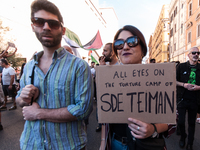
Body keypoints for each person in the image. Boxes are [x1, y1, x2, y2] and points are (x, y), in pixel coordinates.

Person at [16, 0, 93, 149]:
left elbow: (83, 110)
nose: (46, 27)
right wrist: (23, 97)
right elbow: (20, 101)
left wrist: (38, 113)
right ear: (33, 27)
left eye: (53, 24)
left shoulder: (79, 66)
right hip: (31, 144)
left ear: (62, 30)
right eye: (39, 21)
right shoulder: (29, 66)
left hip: (68, 146)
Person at [100, 25, 175, 150]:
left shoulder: (159, 76)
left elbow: (173, 117)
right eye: (119, 44)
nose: (125, 47)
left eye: (132, 42)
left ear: (143, 49)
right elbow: (105, 115)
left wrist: (153, 129)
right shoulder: (109, 78)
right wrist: (103, 143)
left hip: (146, 145)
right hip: (116, 144)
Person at [176, 47, 200, 150]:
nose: (196, 54)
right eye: (193, 53)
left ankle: (190, 143)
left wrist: (199, 87)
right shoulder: (181, 67)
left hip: (195, 100)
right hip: (182, 99)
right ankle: (183, 137)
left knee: (191, 123)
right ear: (188, 55)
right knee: (180, 121)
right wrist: (184, 85)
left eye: (198, 53)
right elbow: (174, 81)